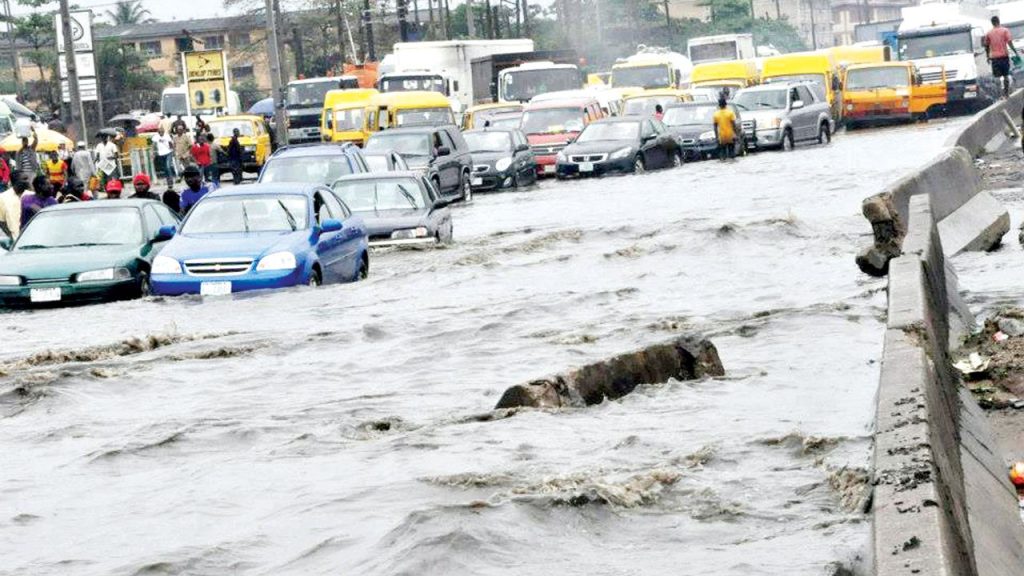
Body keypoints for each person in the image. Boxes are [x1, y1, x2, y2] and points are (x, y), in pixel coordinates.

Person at [984, 16, 1019, 99]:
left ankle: (1000, 95)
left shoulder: (989, 33)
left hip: (995, 58)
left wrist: (987, 57)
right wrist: (1015, 52)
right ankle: (1006, 94)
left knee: (997, 78)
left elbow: (986, 46)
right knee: (1006, 76)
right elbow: (1009, 42)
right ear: (999, 21)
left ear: (992, 23)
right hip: (1004, 56)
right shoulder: (1005, 30)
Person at [0, 172, 30, 238]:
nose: (28, 181)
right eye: (24, 179)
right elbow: (1, 221)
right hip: (15, 241)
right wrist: (10, 236)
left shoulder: (31, 196)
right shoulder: (3, 197)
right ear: (16, 181)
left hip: (31, 239)